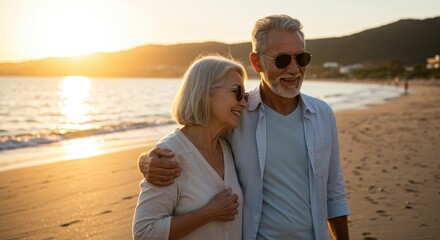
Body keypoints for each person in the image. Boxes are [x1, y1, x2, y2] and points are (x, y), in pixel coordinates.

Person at [139, 14, 350, 239]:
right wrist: (146, 161)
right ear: (257, 62)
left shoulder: (323, 114)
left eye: (301, 58)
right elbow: (191, 138)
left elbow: (333, 192)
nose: (294, 69)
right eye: (282, 60)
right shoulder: (237, 115)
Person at [132, 54, 248, 240]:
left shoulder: (229, 146)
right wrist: (208, 213)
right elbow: (145, 232)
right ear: (205, 92)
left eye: (246, 95)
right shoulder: (169, 156)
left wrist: (142, 160)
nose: (243, 103)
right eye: (237, 92)